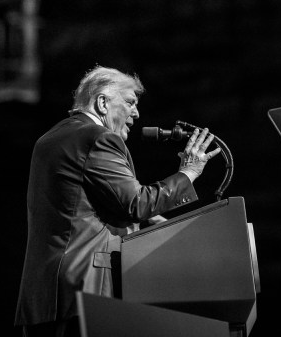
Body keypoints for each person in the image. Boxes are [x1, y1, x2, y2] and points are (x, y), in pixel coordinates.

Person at [15, 65, 223, 337]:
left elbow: (77, 205)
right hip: (85, 291)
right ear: (102, 102)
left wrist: (150, 221)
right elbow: (135, 202)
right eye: (130, 103)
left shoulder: (51, 138)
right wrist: (189, 172)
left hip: (45, 295)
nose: (136, 113)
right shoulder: (98, 138)